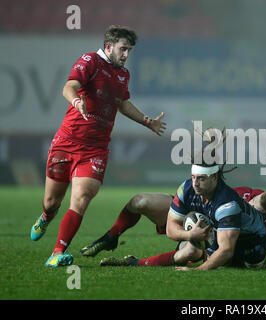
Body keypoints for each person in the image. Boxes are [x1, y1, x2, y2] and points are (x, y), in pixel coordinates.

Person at [29, 25, 167, 267]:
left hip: (96, 149)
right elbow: (68, 87)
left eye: (129, 50)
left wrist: (148, 122)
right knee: (52, 202)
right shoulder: (90, 60)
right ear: (109, 47)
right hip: (67, 141)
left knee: (81, 197)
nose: (126, 55)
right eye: (123, 49)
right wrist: (76, 101)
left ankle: (56, 254)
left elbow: (123, 104)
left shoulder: (123, 74)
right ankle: (45, 217)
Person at [91, 186, 266, 267]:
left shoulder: (259, 229)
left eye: (255, 207)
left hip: (208, 234)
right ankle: (112, 235)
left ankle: (135, 262)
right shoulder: (247, 194)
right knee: (140, 201)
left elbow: (235, 253)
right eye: (253, 200)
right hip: (196, 209)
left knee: (189, 252)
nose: (250, 204)